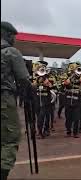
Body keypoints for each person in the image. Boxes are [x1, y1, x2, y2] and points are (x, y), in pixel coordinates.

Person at [1, 21, 32, 180]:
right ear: (6, 34)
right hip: (4, 101)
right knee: (10, 138)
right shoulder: (11, 52)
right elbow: (24, 79)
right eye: (13, 36)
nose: (14, 39)